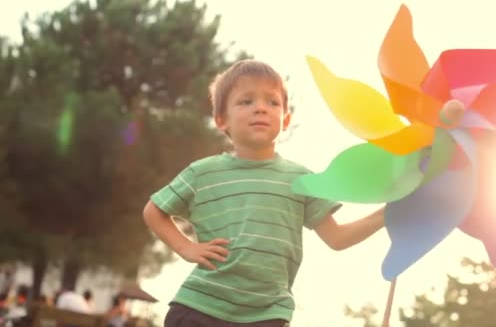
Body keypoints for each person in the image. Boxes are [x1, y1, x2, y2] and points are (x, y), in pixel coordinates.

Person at [142, 60, 464, 326]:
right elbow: (154, 211)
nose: (261, 109)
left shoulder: (301, 179)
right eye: (246, 101)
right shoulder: (203, 173)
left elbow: (337, 239)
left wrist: (390, 211)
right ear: (221, 120)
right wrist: (185, 247)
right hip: (202, 307)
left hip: (266, 313)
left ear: (286, 118)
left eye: (272, 102)